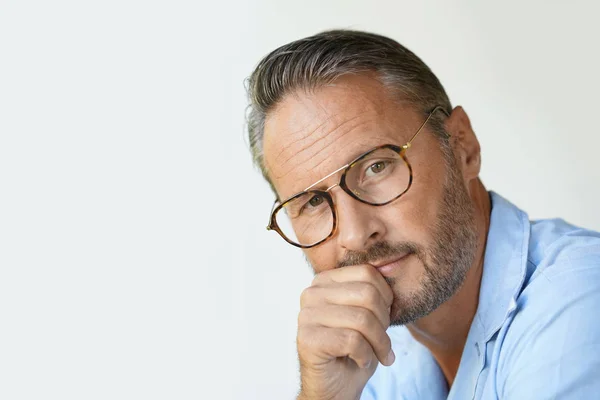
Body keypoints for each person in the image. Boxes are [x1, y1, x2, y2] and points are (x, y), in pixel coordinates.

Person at [244, 30, 600, 399]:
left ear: (462, 147)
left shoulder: (578, 302)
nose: (354, 234)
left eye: (377, 167)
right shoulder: (370, 354)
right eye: (314, 202)